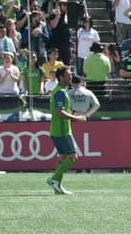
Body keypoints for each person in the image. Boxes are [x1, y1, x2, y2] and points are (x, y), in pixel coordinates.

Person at [47, 67, 87, 195]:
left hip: (56, 130)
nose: (71, 77)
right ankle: (54, 179)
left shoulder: (59, 90)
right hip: (63, 131)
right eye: (68, 75)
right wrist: (77, 118)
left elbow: (61, 110)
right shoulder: (60, 92)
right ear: (61, 77)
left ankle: (58, 187)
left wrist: (73, 114)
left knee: (63, 157)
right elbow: (59, 112)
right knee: (73, 157)